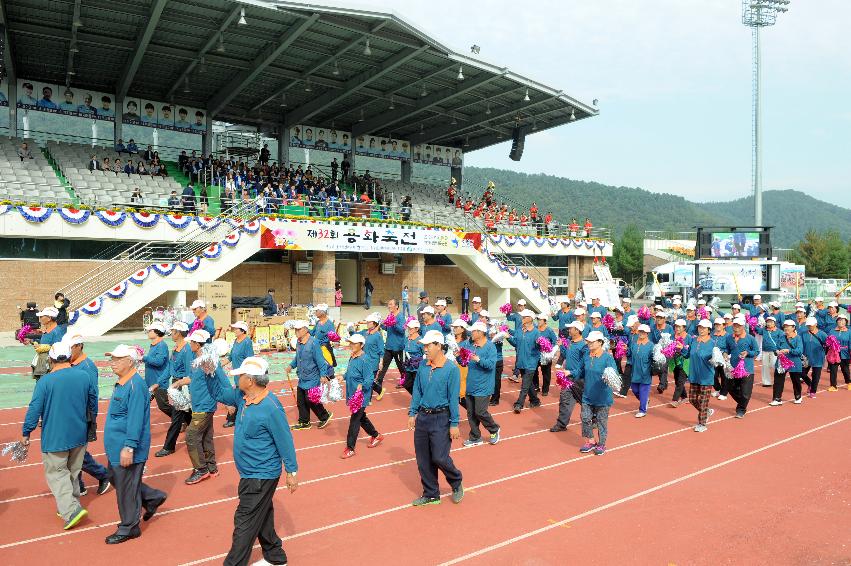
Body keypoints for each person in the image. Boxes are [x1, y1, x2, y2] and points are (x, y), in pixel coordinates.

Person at [202, 356, 298, 565]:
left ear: (251, 380)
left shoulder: (270, 407)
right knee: (262, 514)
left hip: (261, 474)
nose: (237, 378)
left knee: (244, 521)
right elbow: (218, 393)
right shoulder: (241, 396)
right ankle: (275, 555)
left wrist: (292, 472)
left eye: (241, 375)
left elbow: (285, 440)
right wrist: (210, 373)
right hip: (249, 472)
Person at [22, 341, 98, 531]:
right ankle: (69, 504)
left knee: (56, 473)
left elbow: (35, 408)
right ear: (69, 357)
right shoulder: (84, 376)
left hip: (55, 435)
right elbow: (92, 402)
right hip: (79, 432)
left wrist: (26, 431)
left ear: (51, 358)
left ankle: (71, 510)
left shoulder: (46, 381)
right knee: (72, 471)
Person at [102, 345, 167, 544]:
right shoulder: (122, 383)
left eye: (117, 359)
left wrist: (129, 446)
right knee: (117, 479)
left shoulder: (135, 385)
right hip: (116, 447)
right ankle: (151, 497)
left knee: (126, 488)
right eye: (111, 359)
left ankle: (129, 527)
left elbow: (136, 419)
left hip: (127, 447)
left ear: (130, 362)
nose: (112, 363)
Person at [407, 330, 464, 506]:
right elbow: (417, 391)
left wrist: (454, 423)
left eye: (428, 345)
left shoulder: (451, 370)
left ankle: (456, 480)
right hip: (423, 417)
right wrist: (412, 413)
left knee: (439, 457)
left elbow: (454, 398)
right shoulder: (423, 367)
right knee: (423, 459)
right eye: (424, 345)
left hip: (442, 418)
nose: (425, 348)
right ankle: (431, 493)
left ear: (439, 346)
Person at [171, 329, 222, 484]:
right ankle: (212, 468)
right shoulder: (197, 359)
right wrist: (179, 382)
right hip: (199, 404)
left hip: (205, 405)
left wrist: (228, 402)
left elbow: (219, 380)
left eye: (192, 342)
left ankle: (201, 469)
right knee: (206, 437)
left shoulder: (207, 361)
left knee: (191, 435)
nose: (189, 343)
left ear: (198, 344)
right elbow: (192, 378)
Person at [64, 333, 111, 497]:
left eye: (70, 348)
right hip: (71, 413)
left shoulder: (87, 366)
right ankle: (79, 484)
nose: (68, 351)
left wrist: (91, 417)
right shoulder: (70, 364)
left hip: (82, 415)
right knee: (72, 451)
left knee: (77, 452)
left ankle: (103, 475)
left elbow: (92, 394)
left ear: (79, 346)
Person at [340, 334, 384, 458]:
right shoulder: (352, 357)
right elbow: (349, 372)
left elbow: (370, 378)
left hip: (361, 397)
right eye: (351, 343)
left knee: (354, 420)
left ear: (361, 345)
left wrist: (362, 385)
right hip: (352, 394)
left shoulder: (365, 360)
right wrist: (342, 377)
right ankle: (376, 435)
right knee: (361, 417)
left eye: (354, 343)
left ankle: (350, 448)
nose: (351, 345)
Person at [287, 320, 334, 430]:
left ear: (305, 329)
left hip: (313, 377)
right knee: (301, 401)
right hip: (303, 377)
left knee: (311, 399)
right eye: (295, 329)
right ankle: (304, 422)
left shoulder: (314, 343)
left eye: (298, 329)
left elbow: (321, 361)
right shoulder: (298, 342)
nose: (296, 331)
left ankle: (325, 416)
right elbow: (298, 357)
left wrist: (323, 375)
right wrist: (291, 366)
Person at [154, 321, 193, 457]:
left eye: (173, 331)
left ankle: (169, 446)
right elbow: (169, 370)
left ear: (179, 333)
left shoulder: (187, 350)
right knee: (188, 415)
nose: (171, 334)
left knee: (177, 417)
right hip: (176, 386)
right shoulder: (175, 349)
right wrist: (158, 383)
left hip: (183, 387)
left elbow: (189, 373)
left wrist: (183, 385)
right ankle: (199, 437)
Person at [576, 331, 617, 455]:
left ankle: (602, 444)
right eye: (588, 341)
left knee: (601, 421)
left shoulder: (607, 358)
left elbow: (614, 375)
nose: (589, 343)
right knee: (585, 418)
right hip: (588, 395)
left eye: (592, 341)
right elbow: (581, 371)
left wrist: (610, 374)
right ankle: (591, 441)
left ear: (600, 343)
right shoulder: (587, 356)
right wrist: (569, 374)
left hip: (603, 397)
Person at [463, 322, 500, 446]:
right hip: (471, 384)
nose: (470, 333)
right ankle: (475, 437)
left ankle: (494, 429)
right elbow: (464, 362)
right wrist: (459, 356)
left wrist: (478, 359)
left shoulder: (490, 347)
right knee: (471, 413)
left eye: (473, 331)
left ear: (480, 333)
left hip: (484, 386)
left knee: (480, 412)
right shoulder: (471, 345)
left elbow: (490, 365)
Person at [549, 321, 588, 431]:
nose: (569, 330)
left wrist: (572, 372)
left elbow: (584, 365)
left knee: (585, 402)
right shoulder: (570, 342)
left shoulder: (584, 346)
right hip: (568, 378)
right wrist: (561, 346)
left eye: (571, 328)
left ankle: (593, 418)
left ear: (577, 330)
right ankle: (561, 424)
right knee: (564, 399)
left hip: (580, 379)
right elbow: (566, 355)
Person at [721, 316, 759, 418]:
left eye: (738, 326)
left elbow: (757, 351)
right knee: (731, 388)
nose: (736, 328)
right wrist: (724, 353)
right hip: (733, 368)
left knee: (745, 391)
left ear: (743, 326)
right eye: (734, 326)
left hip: (747, 369)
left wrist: (748, 353)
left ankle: (741, 409)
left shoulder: (750, 338)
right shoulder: (729, 337)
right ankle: (743, 402)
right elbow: (726, 348)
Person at [686, 320, 717, 432]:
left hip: (706, 376)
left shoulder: (713, 343)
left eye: (704, 328)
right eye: (700, 327)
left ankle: (702, 424)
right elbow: (687, 354)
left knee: (703, 402)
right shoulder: (694, 341)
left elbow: (717, 359)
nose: (701, 329)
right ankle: (707, 411)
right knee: (692, 399)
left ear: (709, 330)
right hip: (694, 375)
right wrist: (680, 349)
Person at [508, 309, 542, 413]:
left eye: (524, 317)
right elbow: (515, 343)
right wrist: (508, 337)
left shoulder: (536, 332)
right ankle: (535, 400)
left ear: (530, 319)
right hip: (521, 362)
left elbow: (539, 347)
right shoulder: (519, 330)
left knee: (524, 385)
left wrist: (539, 343)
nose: (521, 318)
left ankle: (519, 404)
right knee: (529, 383)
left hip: (531, 363)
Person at [224, 321, 255, 428]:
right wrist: (221, 364)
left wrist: (247, 375)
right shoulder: (236, 341)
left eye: (236, 329)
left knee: (241, 397)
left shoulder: (247, 342)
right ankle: (234, 418)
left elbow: (250, 359)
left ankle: (234, 418)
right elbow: (231, 356)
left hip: (244, 376)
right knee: (238, 396)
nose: (234, 330)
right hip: (237, 375)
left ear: (242, 331)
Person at [375, 299, 406, 396]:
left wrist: (394, 324)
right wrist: (381, 324)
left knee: (401, 366)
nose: (389, 306)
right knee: (383, 365)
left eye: (391, 304)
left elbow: (402, 330)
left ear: (396, 306)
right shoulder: (390, 315)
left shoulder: (401, 316)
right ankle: (379, 382)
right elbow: (387, 328)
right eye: (388, 304)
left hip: (398, 347)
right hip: (388, 346)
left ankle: (405, 381)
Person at [626, 324, 654, 418]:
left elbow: (655, 358)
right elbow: (629, 353)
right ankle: (645, 400)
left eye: (643, 332)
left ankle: (642, 410)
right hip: (635, 371)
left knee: (643, 391)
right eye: (640, 331)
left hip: (645, 372)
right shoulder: (634, 343)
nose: (641, 333)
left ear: (647, 333)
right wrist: (625, 350)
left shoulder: (651, 345)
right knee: (634, 389)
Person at [801, 317, 827, 397]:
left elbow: (828, 344)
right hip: (806, 357)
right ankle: (810, 384)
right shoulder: (803, 334)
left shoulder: (822, 334)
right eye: (808, 325)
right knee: (801, 373)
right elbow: (800, 344)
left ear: (816, 324)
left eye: (811, 325)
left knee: (816, 375)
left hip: (818, 357)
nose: (809, 326)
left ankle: (813, 391)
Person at [533, 312, 558, 396]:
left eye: (540, 319)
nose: (538, 321)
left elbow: (555, 342)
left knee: (546, 373)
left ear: (545, 321)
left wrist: (549, 350)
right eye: (538, 319)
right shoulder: (535, 329)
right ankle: (536, 386)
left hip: (545, 355)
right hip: (536, 354)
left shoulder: (549, 330)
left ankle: (545, 389)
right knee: (534, 371)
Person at [827, 312, 851, 390]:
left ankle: (849, 382)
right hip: (834, 352)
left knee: (845, 369)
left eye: (843, 320)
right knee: (833, 370)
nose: (841, 322)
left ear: (846, 322)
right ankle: (833, 385)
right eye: (839, 320)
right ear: (837, 321)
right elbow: (828, 341)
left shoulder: (849, 331)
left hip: (845, 353)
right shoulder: (832, 331)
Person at [757, 316, 783, 388]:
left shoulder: (779, 331)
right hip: (765, 350)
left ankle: (777, 380)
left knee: (773, 365)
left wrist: (780, 349)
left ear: (774, 323)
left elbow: (782, 340)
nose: (769, 323)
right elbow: (757, 330)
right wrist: (755, 324)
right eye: (768, 322)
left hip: (775, 351)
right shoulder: (764, 330)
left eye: (771, 322)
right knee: (765, 366)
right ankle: (766, 382)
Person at [402, 319, 424, 395]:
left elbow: (425, 354)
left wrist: (417, 360)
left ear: (417, 329)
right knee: (406, 385)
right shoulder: (406, 339)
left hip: (418, 367)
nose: (409, 330)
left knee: (417, 386)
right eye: (408, 328)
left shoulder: (421, 341)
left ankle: (418, 400)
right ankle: (416, 398)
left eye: (411, 328)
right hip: (408, 366)